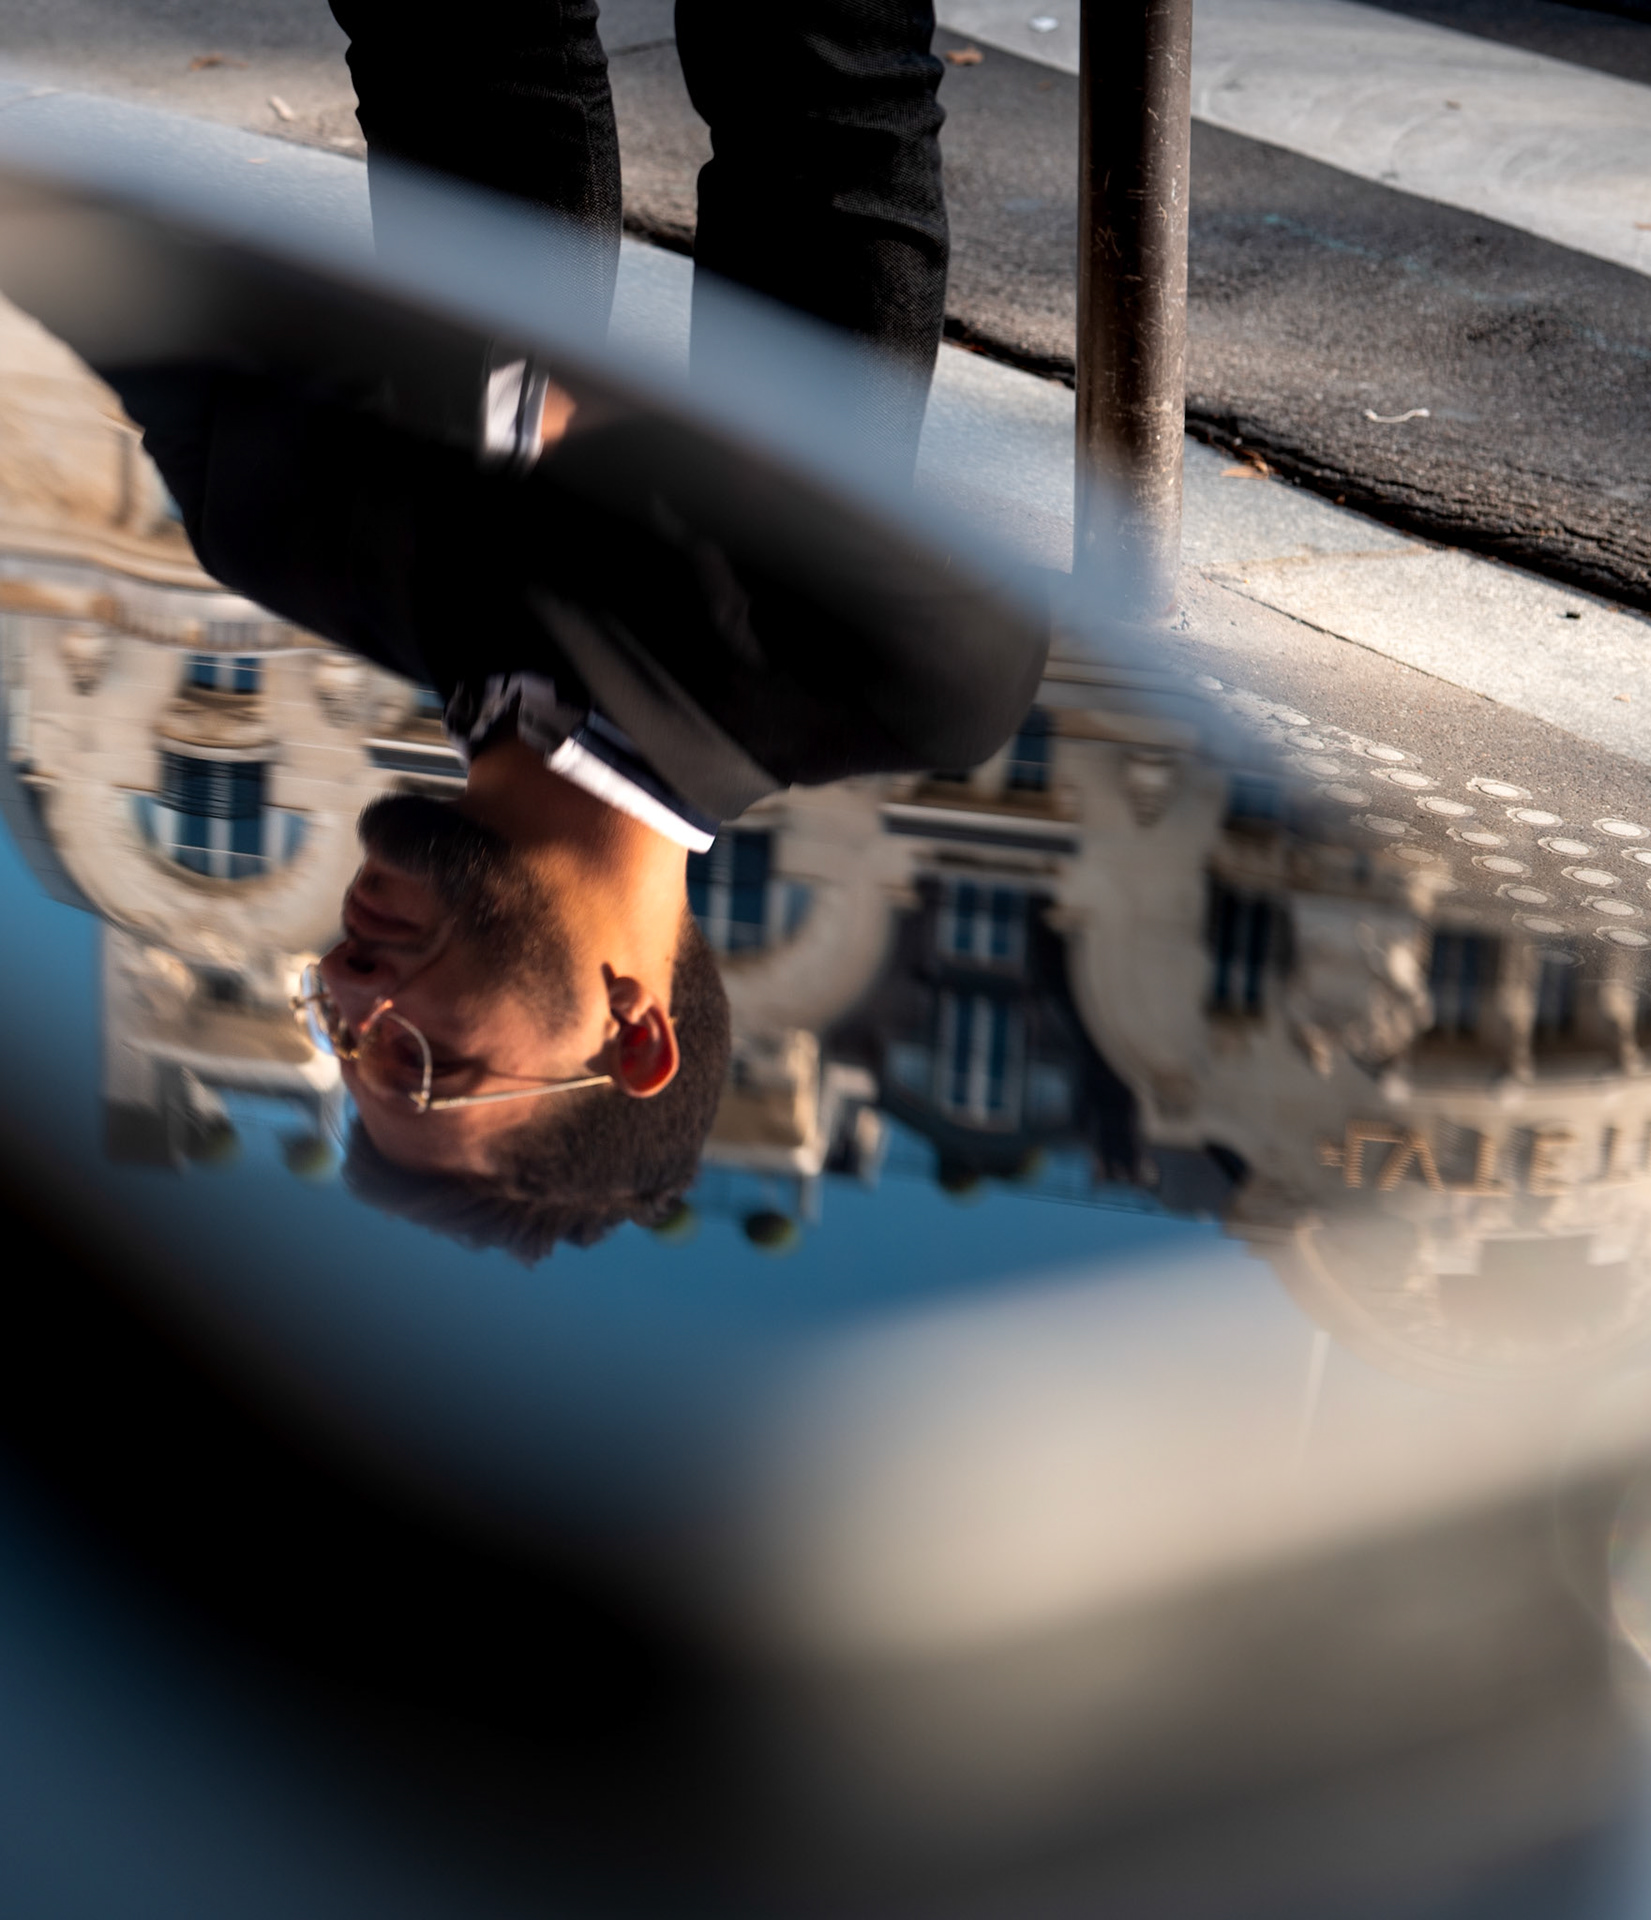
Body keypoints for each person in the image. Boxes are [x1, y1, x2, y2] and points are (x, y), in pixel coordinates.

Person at [98, 0, 1046, 1260]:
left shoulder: (268, 532)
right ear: (632, 1028)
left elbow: (444, 64)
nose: (349, 992)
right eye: (426, 1063)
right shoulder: (891, 678)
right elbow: (828, 114)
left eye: (344, 1038)